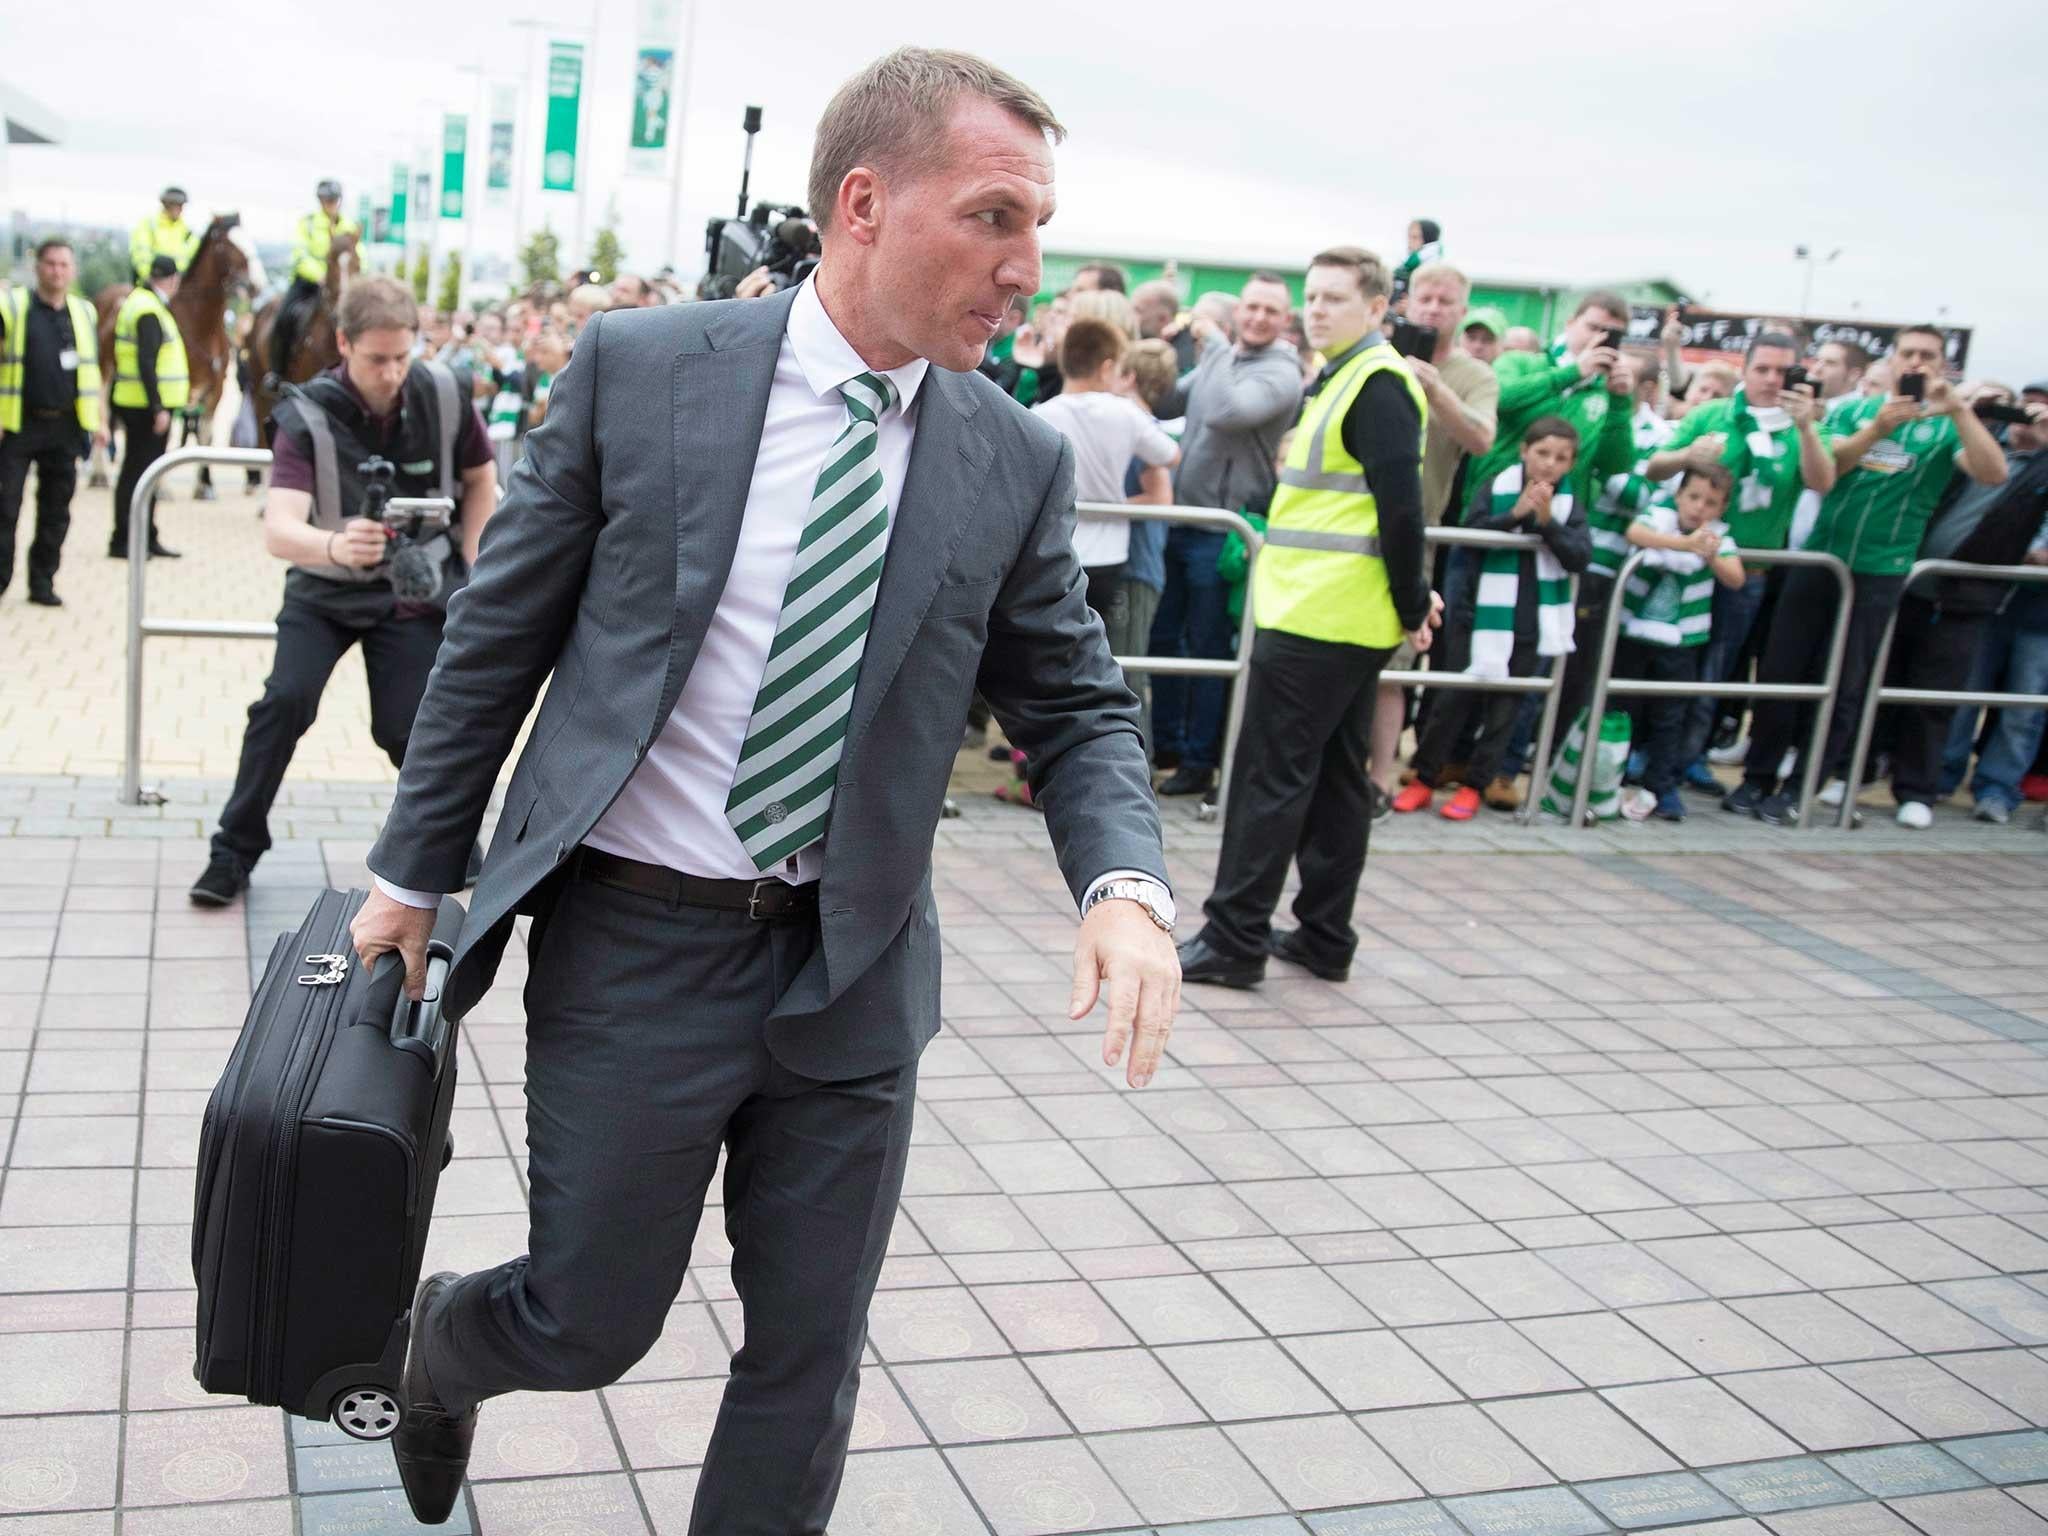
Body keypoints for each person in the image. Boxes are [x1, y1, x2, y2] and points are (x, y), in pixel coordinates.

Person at [342, 48, 1179, 1531]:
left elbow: (1073, 699)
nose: (1026, 269)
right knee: (589, 1318)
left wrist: (1122, 887)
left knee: (807, 1357)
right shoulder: (647, 370)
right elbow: (500, 634)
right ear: (865, 202)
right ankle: (438, 1350)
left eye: (1036, 227)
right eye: (994, 218)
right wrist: (415, 873)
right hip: (635, 945)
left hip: (850, 968)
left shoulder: (1015, 456)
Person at [189, 276, 499, 906]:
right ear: (342, 344)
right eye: (375, 359)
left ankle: (449, 844)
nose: (390, 374)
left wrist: (475, 568)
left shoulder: (443, 392)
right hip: (324, 588)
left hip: (413, 592)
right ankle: (233, 851)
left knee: (408, 729)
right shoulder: (308, 411)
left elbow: (479, 476)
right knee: (284, 704)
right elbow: (279, 528)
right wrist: (333, 545)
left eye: (402, 357)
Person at [1176, 244, 1433, 988]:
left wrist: (1414, 601)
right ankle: (1324, 934)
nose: (1317, 309)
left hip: (1319, 616)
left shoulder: (1375, 383)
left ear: (1377, 308)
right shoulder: (1349, 377)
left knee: (1268, 779)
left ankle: (1234, 937)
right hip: (1335, 614)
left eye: (1335, 298)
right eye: (1312, 297)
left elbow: (1403, 509)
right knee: (1334, 781)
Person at [1727, 324, 2010, 825]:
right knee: (1779, 672)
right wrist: (1878, 428)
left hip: (1881, 571)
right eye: (1908, 354)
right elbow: (1828, 469)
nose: (1917, 363)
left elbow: (1993, 474)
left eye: (1928, 356)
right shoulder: (1854, 411)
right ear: (1894, 359)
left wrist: (1962, 409)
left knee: (1843, 685)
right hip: (1821, 561)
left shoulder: (1947, 425)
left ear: (1942, 365)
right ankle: (1756, 778)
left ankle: (1801, 788)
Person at [1644, 332, 1836, 792]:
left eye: (1783, 371)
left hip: (1743, 572)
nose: (1772, 380)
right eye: (1762, 369)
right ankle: (1648, 755)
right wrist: (1688, 454)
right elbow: (1654, 466)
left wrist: (1807, 426)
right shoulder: (1713, 413)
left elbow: (1822, 480)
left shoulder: (1805, 424)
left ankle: (1686, 759)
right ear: (1744, 371)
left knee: (1715, 672)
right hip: (1684, 563)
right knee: (1666, 662)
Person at [1147, 270, 1301, 797]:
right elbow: (1169, 404)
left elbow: (1229, 412)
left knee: (1208, 648)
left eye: (1269, 311)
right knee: (1165, 641)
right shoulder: (1224, 360)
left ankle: (1199, 760)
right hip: (1180, 523)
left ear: (1284, 321)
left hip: (1224, 531)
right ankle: (1165, 744)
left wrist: (1211, 346)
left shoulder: (1283, 370)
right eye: (1251, 308)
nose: (1257, 318)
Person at [1397, 416, 1589, 818]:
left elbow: (1579, 556)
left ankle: (1475, 784)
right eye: (1542, 453)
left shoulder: (1571, 504)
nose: (1549, 464)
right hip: (1477, 612)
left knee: (1506, 706)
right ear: (1524, 451)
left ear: (1571, 464)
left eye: (1560, 457)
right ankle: (1424, 778)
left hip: (1532, 619)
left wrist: (1546, 522)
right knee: (1452, 699)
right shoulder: (1497, 486)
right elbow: (1472, 535)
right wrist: (1515, 514)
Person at [1877, 387, 2048, 824]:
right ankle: (1902, 773)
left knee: (1995, 704)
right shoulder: (1975, 440)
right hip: (1924, 586)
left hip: (1991, 600)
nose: (2024, 418)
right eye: (2021, 406)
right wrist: (1969, 411)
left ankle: (1958, 788)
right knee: (1911, 688)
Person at [1369, 262, 1498, 813]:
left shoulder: (1473, 375)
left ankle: (1379, 779)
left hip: (1416, 533)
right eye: (1425, 297)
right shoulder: (1376, 352)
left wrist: (1435, 389)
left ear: (1461, 311)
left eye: (1445, 301)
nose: (1432, 309)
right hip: (1352, 524)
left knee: (1394, 667)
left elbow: (1482, 437)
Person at [1031, 315, 1179, 695]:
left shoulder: (1040, 416)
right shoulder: (1124, 413)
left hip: (1058, 550)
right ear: (1108, 366)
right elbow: (1170, 455)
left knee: (1052, 654)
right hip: (1111, 552)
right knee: (1102, 660)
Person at [1613, 464, 1745, 821]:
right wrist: (1683, 544)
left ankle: (1661, 786)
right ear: (1679, 496)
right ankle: (1610, 779)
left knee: (1670, 717)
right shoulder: (1658, 517)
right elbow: (1635, 531)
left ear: (1721, 508)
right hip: (1633, 633)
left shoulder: (1720, 537)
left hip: (1682, 642)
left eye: (1710, 502)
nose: (1699, 508)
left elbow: (1735, 578)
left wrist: (1711, 552)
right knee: (1623, 708)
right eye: (1694, 497)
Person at [0, 238, 105, 607]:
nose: (57, 271)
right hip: (17, 426)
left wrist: (100, 421)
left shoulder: (84, 312)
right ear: (37, 268)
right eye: (51, 264)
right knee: (5, 508)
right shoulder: (13, 307)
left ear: (72, 270)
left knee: (56, 511)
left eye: (64, 265)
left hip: (65, 427)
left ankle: (42, 583)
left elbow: (94, 373)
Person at [109, 254, 189, 560]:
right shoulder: (149, 309)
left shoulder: (142, 302)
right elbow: (147, 361)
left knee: (143, 472)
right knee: (140, 474)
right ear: (172, 280)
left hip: (140, 403)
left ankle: (145, 536)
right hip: (146, 407)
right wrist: (158, 407)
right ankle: (126, 539)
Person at [272, 178, 360, 380]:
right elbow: (300, 255)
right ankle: (277, 372)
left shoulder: (350, 226)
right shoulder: (308, 223)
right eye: (326, 200)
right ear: (320, 201)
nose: (330, 203)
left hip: (342, 286)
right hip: (309, 284)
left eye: (333, 199)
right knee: (284, 318)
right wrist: (320, 275)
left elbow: (358, 256)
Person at [130, 186, 201, 284]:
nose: (180, 209)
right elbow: (141, 255)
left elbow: (195, 259)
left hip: (178, 284)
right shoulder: (149, 225)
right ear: (166, 204)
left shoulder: (188, 232)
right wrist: (149, 277)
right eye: (177, 205)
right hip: (151, 282)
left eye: (182, 205)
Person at [1390, 217, 1443, 307]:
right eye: (1409, 237)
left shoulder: (1435, 271)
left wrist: (1414, 306)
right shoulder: (1405, 266)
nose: (1409, 242)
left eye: (1415, 237)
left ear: (1428, 239)